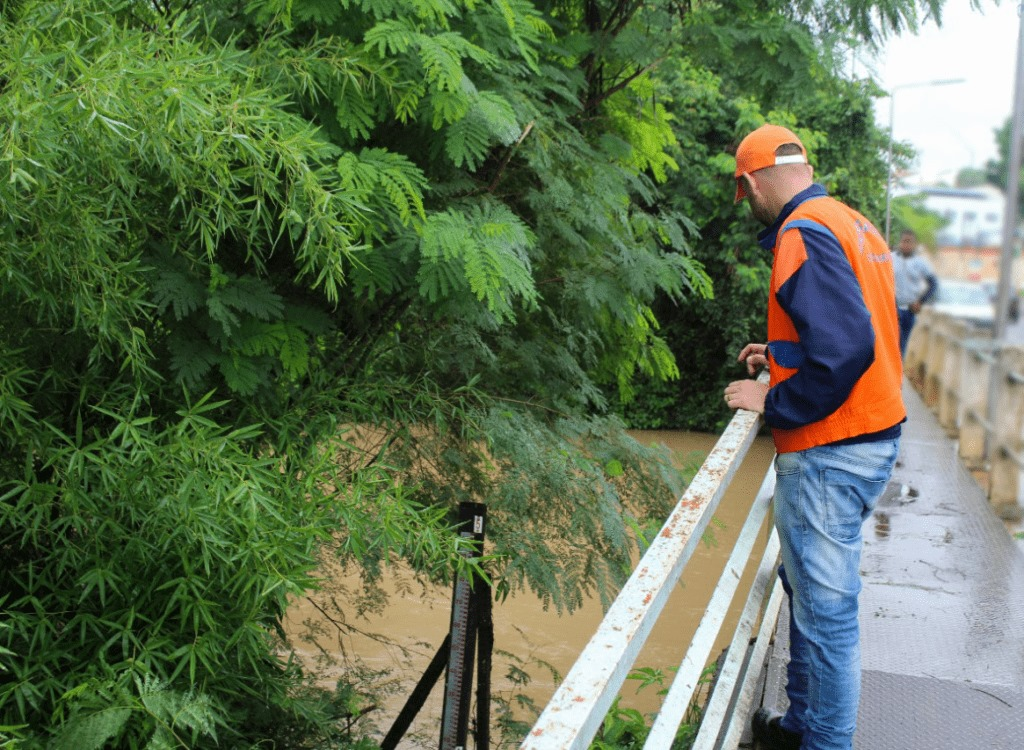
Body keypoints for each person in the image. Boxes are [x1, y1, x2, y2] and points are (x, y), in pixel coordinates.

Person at [722, 124, 906, 750]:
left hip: (833, 450)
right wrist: (778, 351)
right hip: (873, 434)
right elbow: (866, 326)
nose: (748, 207)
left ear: (751, 181)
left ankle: (826, 743)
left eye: (744, 195)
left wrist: (772, 399)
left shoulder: (800, 233)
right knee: (811, 597)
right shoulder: (851, 220)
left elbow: (845, 349)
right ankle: (801, 726)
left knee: (827, 617)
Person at [892, 229, 937, 356]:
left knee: (902, 344)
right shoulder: (890, 258)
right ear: (900, 242)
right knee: (890, 343)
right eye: (904, 241)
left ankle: (899, 372)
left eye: (909, 242)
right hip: (892, 308)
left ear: (914, 244)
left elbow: (933, 284)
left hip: (909, 310)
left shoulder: (920, 263)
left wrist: (920, 302)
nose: (906, 245)